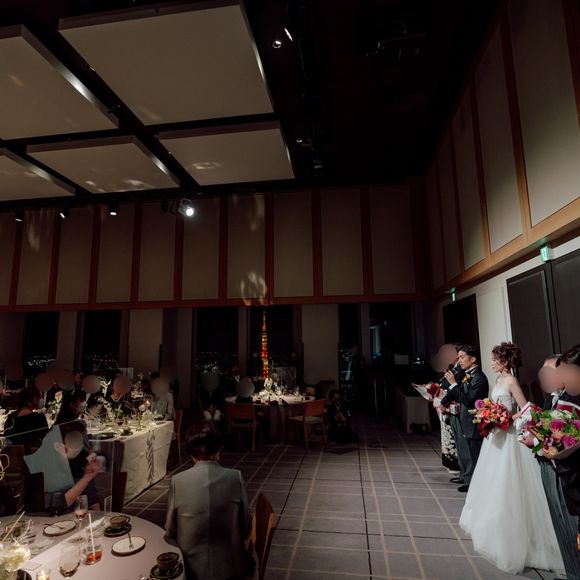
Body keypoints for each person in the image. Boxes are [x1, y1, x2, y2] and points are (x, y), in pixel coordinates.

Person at [460, 342, 564, 574]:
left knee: (509, 483)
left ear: (506, 361)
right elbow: (494, 406)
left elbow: (526, 408)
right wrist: (489, 416)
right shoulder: (498, 381)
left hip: (508, 438)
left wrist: (505, 419)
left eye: (495, 359)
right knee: (491, 481)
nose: (492, 363)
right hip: (495, 438)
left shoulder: (511, 382)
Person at [165, 421, 253, 580]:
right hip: (232, 568)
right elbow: (246, 526)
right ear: (219, 449)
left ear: (191, 453)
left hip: (190, 569)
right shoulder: (235, 477)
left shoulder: (178, 481)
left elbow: (170, 530)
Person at [531, 354, 580, 580]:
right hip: (557, 466)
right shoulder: (554, 398)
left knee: (572, 526)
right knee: (562, 524)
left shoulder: (572, 399)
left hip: (571, 472)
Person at [440, 344, 488, 492]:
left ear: (473, 359)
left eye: (462, 357)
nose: (459, 360)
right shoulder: (466, 373)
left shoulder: (479, 378)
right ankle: (466, 476)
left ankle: (473, 481)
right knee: (464, 450)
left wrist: (454, 384)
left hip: (472, 419)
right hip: (464, 417)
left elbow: (468, 400)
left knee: (473, 453)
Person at [3, 387, 49, 452]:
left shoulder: (10, 418)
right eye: (39, 398)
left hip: (16, 455)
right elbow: (46, 439)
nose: (41, 400)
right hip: (34, 455)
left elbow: (8, 440)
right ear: (34, 399)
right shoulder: (39, 418)